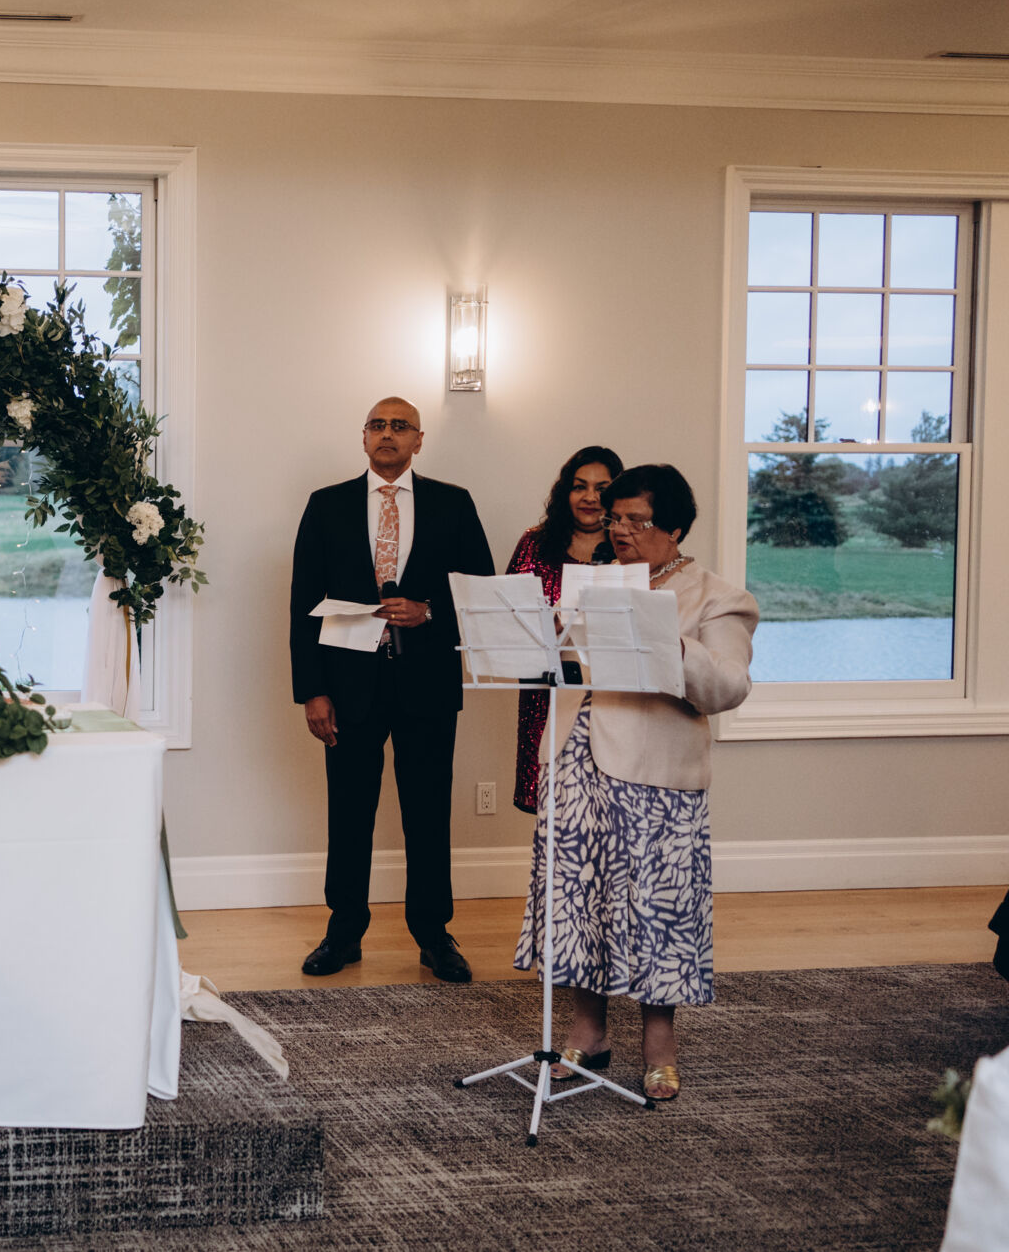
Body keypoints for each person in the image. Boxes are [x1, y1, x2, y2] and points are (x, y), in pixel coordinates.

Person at [513, 463, 758, 1101]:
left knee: (656, 908)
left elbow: (729, 686)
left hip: (657, 778)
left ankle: (659, 1044)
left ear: (674, 528)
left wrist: (669, 643)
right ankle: (588, 1032)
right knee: (578, 900)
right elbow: (563, 669)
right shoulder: (589, 582)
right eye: (615, 518)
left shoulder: (718, 596)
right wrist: (547, 641)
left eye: (636, 520)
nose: (619, 529)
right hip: (575, 762)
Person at [291, 397, 495, 981]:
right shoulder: (326, 505)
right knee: (348, 811)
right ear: (363, 438)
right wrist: (312, 691)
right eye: (378, 425)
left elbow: (482, 591)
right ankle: (343, 931)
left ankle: (433, 935)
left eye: (400, 426)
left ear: (419, 440)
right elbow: (302, 602)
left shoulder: (453, 503)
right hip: (346, 686)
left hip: (426, 683)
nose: (388, 434)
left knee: (428, 812)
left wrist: (430, 612)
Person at [504, 446, 624, 814]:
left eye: (602, 489)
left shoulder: (630, 547)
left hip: (615, 697)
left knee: (610, 804)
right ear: (565, 492)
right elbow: (506, 617)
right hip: (548, 696)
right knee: (553, 810)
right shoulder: (535, 544)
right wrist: (544, 626)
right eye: (579, 486)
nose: (590, 497)